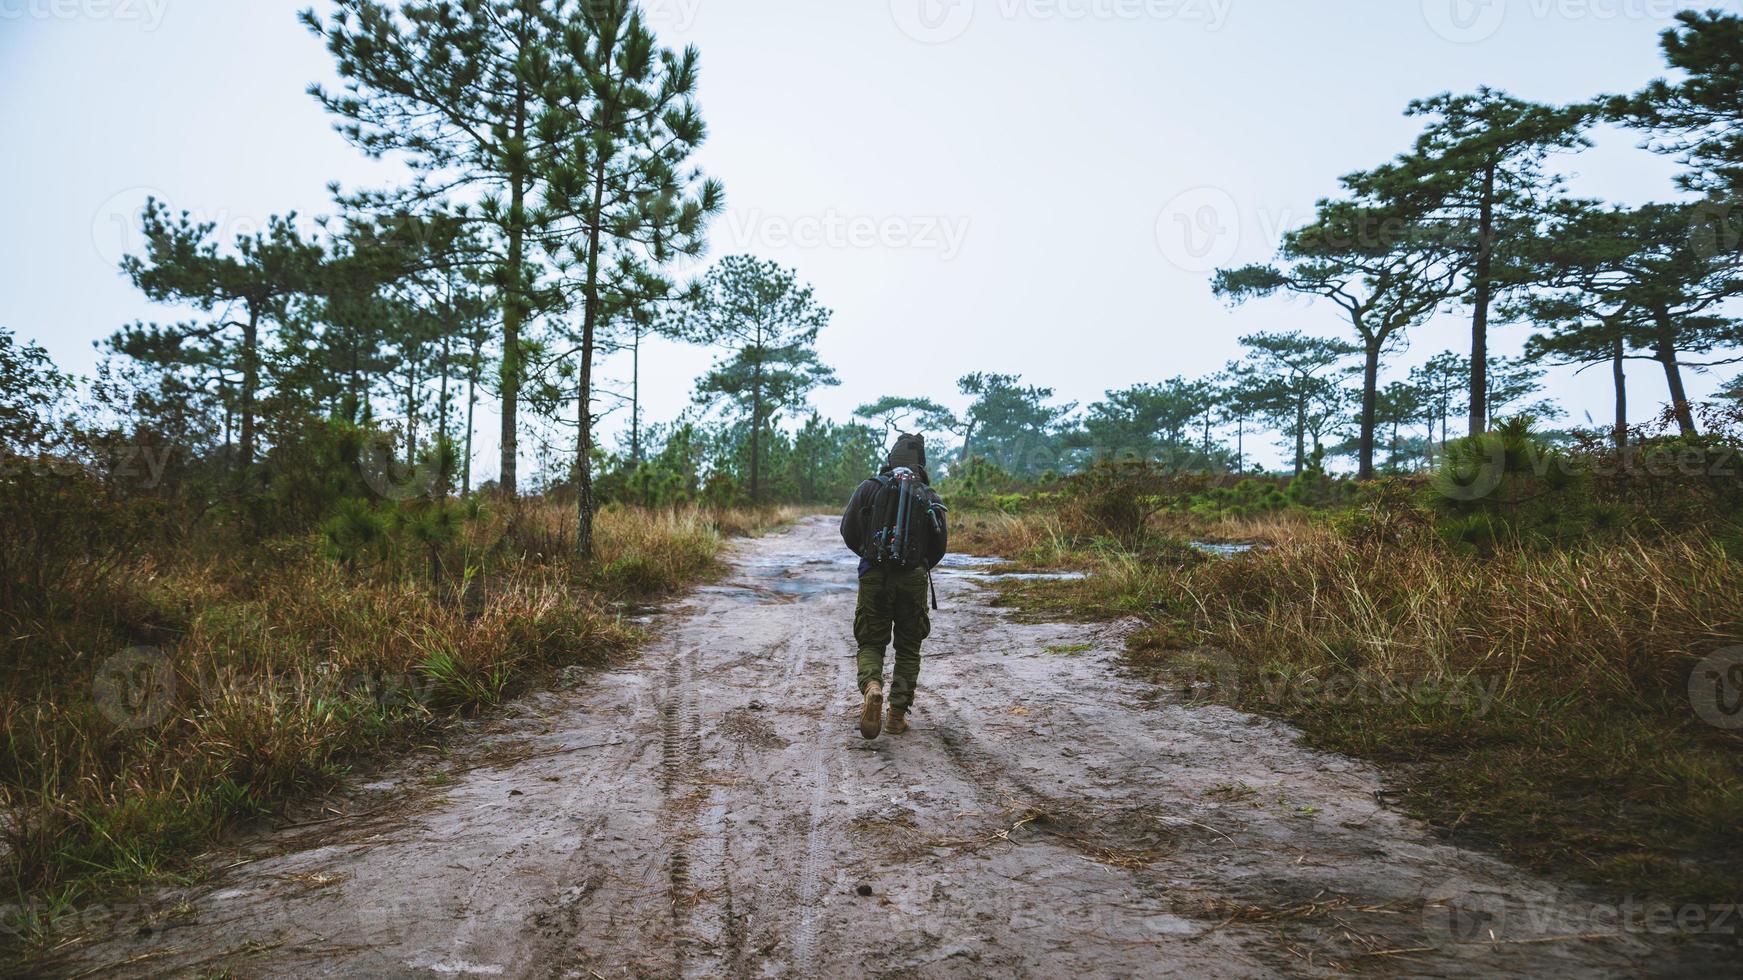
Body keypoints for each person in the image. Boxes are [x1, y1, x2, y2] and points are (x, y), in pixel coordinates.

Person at [840, 433, 949, 739]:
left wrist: (869, 555)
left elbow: (847, 530)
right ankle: (896, 716)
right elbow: (939, 546)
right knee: (908, 649)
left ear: (891, 459)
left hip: (874, 575)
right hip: (912, 578)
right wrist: (917, 565)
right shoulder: (929, 495)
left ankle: (873, 688)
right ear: (920, 462)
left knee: (871, 643)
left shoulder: (869, 488)